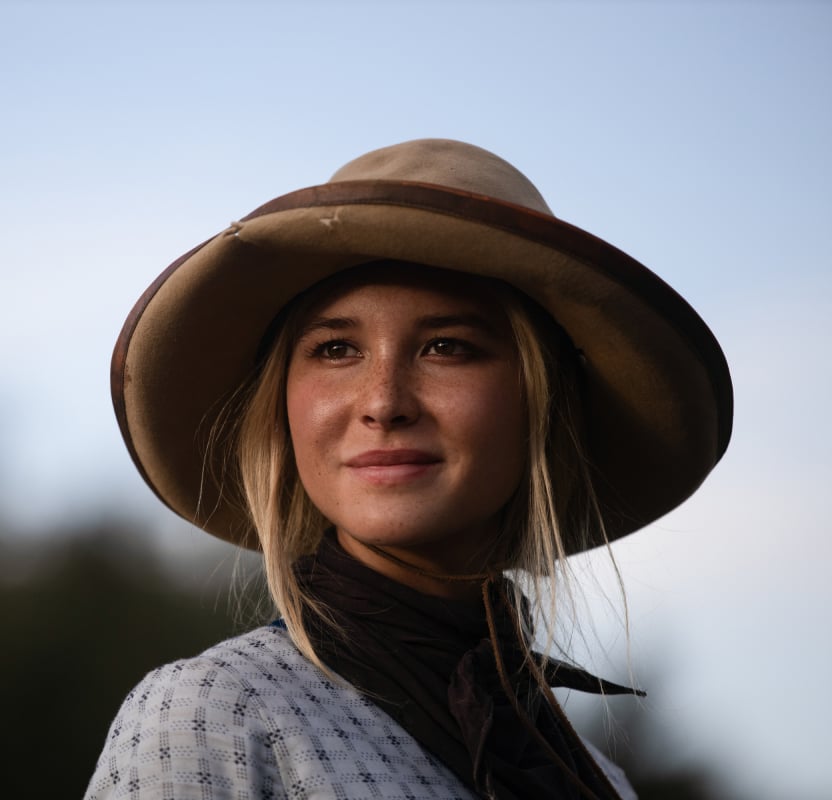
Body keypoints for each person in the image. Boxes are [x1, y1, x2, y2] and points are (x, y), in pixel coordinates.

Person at [86, 139, 732, 799]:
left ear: (541, 402)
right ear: (281, 408)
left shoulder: (599, 780)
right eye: (337, 349)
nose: (384, 402)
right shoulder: (215, 716)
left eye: (447, 347)